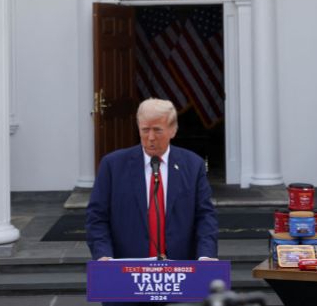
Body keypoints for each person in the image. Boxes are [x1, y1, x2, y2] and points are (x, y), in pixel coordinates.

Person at [86, 98, 218, 262]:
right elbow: (97, 217)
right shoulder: (113, 166)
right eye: (145, 130)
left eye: (157, 130)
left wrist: (206, 255)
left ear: (173, 130)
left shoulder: (193, 165)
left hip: (180, 271)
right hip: (127, 271)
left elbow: (205, 216)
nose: (150, 137)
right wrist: (103, 255)